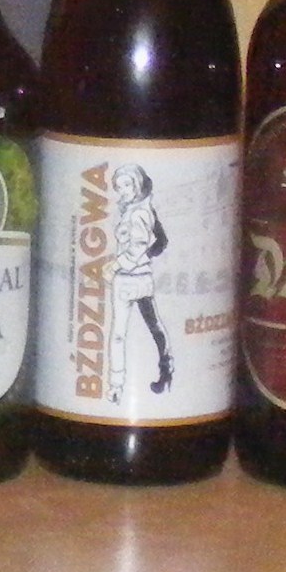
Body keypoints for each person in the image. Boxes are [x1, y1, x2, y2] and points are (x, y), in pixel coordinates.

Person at [108, 165, 174, 402]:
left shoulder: (139, 213)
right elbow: (161, 241)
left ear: (137, 184)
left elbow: (139, 246)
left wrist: (116, 265)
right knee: (149, 326)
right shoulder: (139, 209)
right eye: (119, 187)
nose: (123, 190)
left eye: (127, 185)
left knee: (125, 332)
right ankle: (163, 368)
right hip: (135, 278)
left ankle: (117, 385)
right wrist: (143, 259)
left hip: (131, 279)